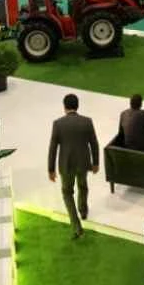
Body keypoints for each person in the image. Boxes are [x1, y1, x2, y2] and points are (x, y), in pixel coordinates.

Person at [47, 94, 100, 239]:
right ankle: (83, 210)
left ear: (64, 107)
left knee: (67, 193)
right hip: (83, 163)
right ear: (78, 106)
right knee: (83, 186)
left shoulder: (58, 124)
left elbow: (53, 148)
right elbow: (94, 143)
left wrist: (51, 169)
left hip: (66, 165)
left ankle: (77, 227)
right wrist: (95, 163)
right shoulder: (87, 122)